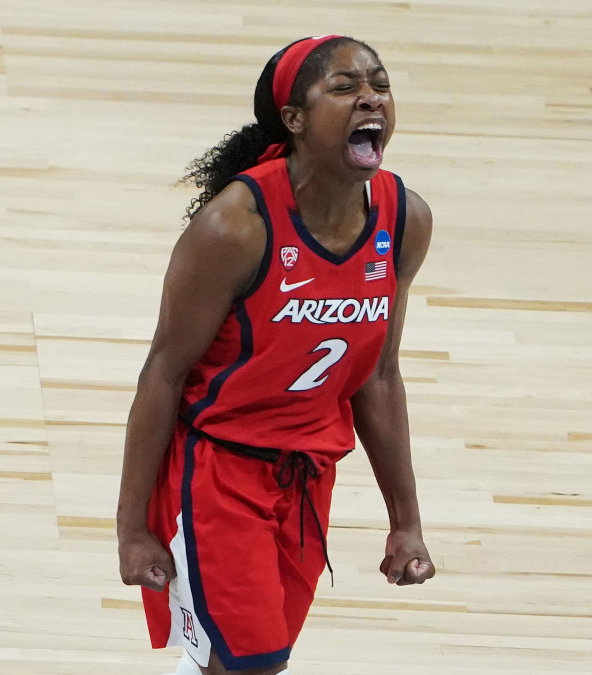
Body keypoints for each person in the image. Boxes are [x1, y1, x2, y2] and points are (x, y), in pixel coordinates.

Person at [117, 35, 435, 675]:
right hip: (218, 472)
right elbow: (162, 374)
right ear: (293, 119)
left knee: (246, 661)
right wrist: (132, 528)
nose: (370, 98)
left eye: (379, 84)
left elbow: (377, 375)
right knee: (253, 663)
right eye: (344, 88)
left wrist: (406, 521)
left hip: (309, 474)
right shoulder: (235, 226)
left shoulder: (404, 219)